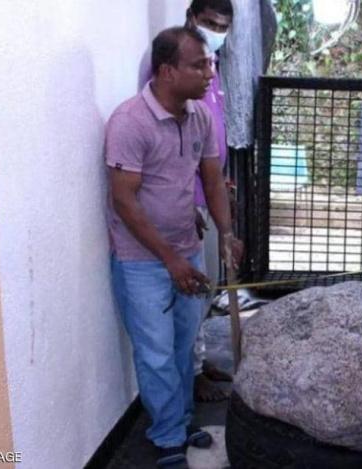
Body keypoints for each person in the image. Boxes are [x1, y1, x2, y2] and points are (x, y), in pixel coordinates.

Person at [107, 26, 244, 468]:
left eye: (210, 63)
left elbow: (212, 180)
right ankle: (167, 437)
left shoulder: (200, 116)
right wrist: (169, 260)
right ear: (167, 71)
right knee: (156, 352)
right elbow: (123, 200)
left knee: (184, 347)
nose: (210, 73)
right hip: (142, 261)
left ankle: (182, 424)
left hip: (186, 250)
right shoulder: (130, 122)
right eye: (199, 65)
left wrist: (226, 234)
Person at [138, 0, 236, 403]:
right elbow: (168, 144)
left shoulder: (209, 66)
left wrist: (218, 184)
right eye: (211, 23)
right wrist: (188, 201)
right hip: (185, 201)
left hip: (208, 190)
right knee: (190, 289)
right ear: (192, 17)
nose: (217, 31)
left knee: (203, 287)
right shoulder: (172, 67)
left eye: (224, 26)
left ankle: (197, 360)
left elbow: (207, 133)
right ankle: (191, 374)